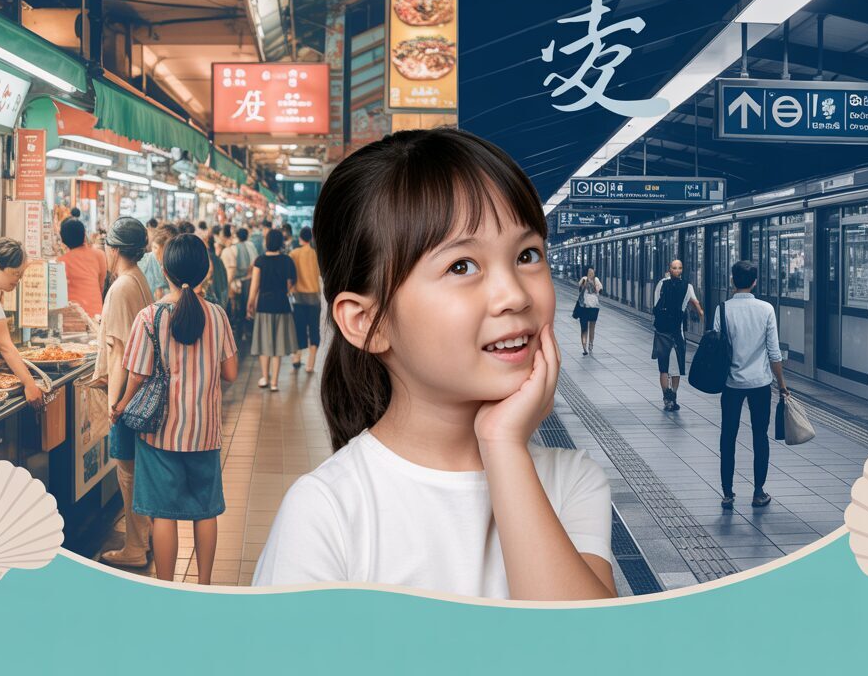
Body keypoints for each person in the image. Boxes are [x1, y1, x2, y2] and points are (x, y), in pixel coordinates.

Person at [252, 129, 615, 600]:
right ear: (365, 322)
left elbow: (587, 657)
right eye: (462, 266)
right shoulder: (328, 510)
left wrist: (502, 444)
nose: (516, 296)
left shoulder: (572, 481)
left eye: (527, 255)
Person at [115, 234, 238, 584]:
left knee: (163, 514)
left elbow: (137, 375)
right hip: (205, 432)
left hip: (160, 433)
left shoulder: (150, 317)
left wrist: (121, 406)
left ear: (165, 270)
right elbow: (230, 374)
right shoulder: (216, 314)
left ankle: (166, 586)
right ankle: (204, 585)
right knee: (205, 511)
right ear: (204, 271)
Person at [96, 218, 154, 567]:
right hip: (140, 391)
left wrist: (115, 403)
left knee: (128, 472)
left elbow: (120, 352)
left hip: (128, 397)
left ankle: (135, 547)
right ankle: (140, 539)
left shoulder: (120, 288)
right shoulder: (138, 280)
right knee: (135, 471)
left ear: (114, 249)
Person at [714, 261, 790, 511]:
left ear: (733, 280)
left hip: (731, 384)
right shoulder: (766, 309)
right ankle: (758, 492)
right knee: (760, 436)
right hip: (760, 383)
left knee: (728, 436)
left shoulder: (722, 309)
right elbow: (774, 352)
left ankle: (727, 493)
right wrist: (782, 385)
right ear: (755, 281)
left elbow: (717, 345)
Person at [0, 238, 44, 409]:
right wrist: (30, 385)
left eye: (21, 275)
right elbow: (6, 347)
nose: (18, 280)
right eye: (15, 274)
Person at [247, 228, 297, 390]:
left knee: (264, 344)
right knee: (278, 345)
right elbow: (290, 285)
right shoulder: (287, 260)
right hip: (282, 306)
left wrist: (250, 304)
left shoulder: (259, 261)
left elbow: (254, 286)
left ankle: (264, 377)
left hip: (264, 306)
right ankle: (275, 382)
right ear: (281, 243)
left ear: (266, 242)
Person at [652, 259, 703, 411]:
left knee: (663, 368)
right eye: (676, 268)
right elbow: (695, 303)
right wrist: (701, 316)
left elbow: (655, 306)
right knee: (676, 367)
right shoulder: (688, 286)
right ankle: (673, 397)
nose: (677, 270)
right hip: (677, 332)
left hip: (661, 331)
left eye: (678, 268)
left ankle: (666, 398)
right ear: (673, 269)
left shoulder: (661, 284)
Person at [56, 217, 107, 319]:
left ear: (63, 240)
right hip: (97, 314)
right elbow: (101, 285)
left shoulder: (61, 262)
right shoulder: (99, 255)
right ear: (84, 235)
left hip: (73, 318)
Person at [288, 225, 321, 372]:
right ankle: (310, 364)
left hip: (299, 297)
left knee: (299, 328)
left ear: (300, 238)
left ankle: (297, 357)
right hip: (314, 297)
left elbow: (289, 276)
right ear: (311, 238)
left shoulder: (294, 253)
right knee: (314, 329)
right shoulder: (316, 254)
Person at [222, 226, 258, 342]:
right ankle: (249, 331)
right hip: (250, 279)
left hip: (238, 282)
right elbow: (255, 261)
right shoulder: (251, 246)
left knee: (239, 307)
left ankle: (240, 332)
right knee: (248, 305)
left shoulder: (234, 248)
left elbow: (233, 267)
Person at [139, 223, 175, 300]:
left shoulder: (174, 263)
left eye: (156, 248)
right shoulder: (144, 261)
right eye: (154, 247)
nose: (155, 251)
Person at [577, 268, 603, 355]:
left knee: (592, 327)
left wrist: (596, 287)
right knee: (584, 328)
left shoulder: (596, 280)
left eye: (592, 272)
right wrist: (585, 284)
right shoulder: (584, 279)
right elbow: (580, 287)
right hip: (584, 307)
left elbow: (600, 289)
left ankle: (591, 344)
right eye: (589, 272)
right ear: (587, 273)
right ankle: (584, 347)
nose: (591, 273)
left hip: (594, 307)